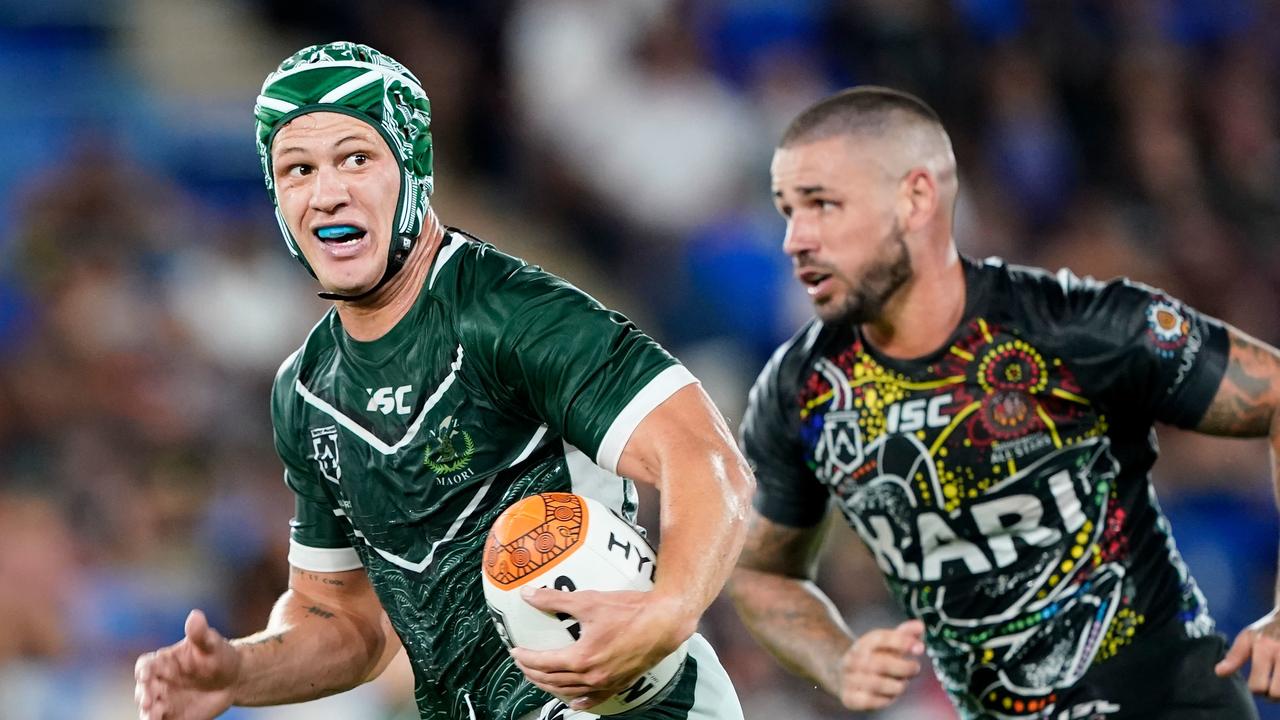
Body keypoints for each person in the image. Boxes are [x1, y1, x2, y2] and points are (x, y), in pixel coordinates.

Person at [133, 41, 753, 720]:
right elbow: (347, 626)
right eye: (297, 169)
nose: (326, 191)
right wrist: (237, 673)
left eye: (355, 159)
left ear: (415, 167)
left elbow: (706, 458)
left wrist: (668, 611)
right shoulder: (306, 392)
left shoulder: (509, 311)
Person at [729, 85, 1280, 720]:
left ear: (915, 198)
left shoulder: (1074, 327)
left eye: (823, 205)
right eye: (788, 210)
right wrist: (838, 658)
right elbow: (762, 574)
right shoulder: (802, 391)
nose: (796, 239)